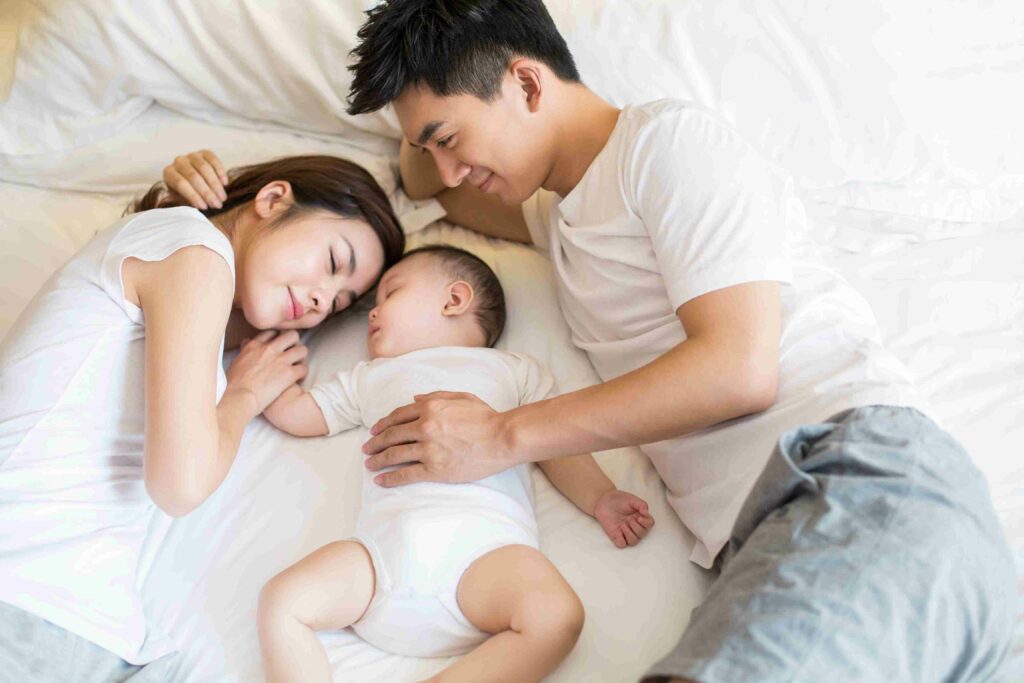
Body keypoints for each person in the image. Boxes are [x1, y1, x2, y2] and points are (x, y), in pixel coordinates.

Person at [168, 3, 1016, 683]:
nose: (451, 169)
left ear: (528, 84)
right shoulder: (553, 214)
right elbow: (422, 181)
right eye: (437, 145)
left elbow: (739, 366)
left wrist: (502, 435)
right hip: (776, 535)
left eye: (455, 137)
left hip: (854, 481)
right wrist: (408, 131)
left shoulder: (667, 146)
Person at [0, 153, 405, 682]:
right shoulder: (196, 253)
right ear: (273, 199)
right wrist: (242, 396)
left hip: (73, 616)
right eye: (332, 262)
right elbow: (180, 486)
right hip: (33, 599)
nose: (318, 300)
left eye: (336, 302)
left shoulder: (186, 260)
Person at [255, 244, 654, 683]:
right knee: (281, 601)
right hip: (379, 562)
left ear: (454, 300)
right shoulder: (371, 377)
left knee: (557, 617)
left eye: (391, 293)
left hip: (482, 560)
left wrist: (600, 497)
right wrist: (262, 381)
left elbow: (553, 443)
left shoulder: (514, 371)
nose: (372, 313)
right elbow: (301, 415)